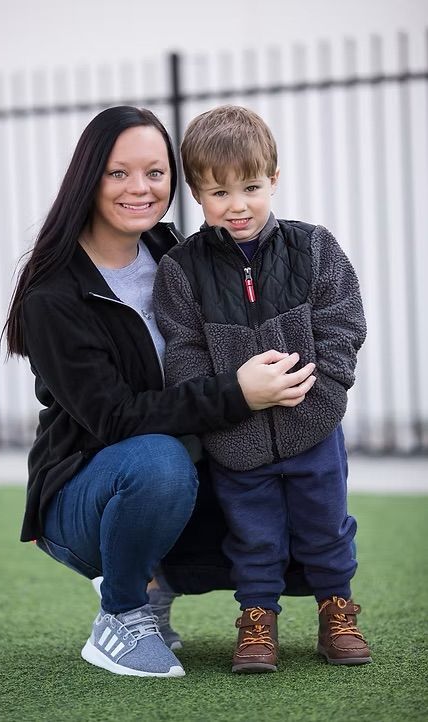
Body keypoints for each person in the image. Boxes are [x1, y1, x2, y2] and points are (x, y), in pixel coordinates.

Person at [2, 105, 317, 679]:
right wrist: (240, 394)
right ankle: (122, 611)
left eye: (155, 172)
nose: (139, 189)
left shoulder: (181, 255)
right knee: (159, 460)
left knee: (295, 468)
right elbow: (115, 418)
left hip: (187, 470)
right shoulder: (54, 294)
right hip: (89, 488)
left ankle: (161, 581)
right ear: (88, 177)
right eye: (118, 173)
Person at [153, 104, 372, 673]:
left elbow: (343, 325)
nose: (238, 205)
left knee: (326, 525)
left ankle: (337, 611)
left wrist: (322, 397)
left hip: (312, 428)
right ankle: (257, 620)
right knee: (252, 537)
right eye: (218, 192)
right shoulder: (182, 269)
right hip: (236, 440)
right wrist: (227, 406)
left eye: (251, 187)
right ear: (197, 194)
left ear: (273, 179)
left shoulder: (314, 247)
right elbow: (182, 351)